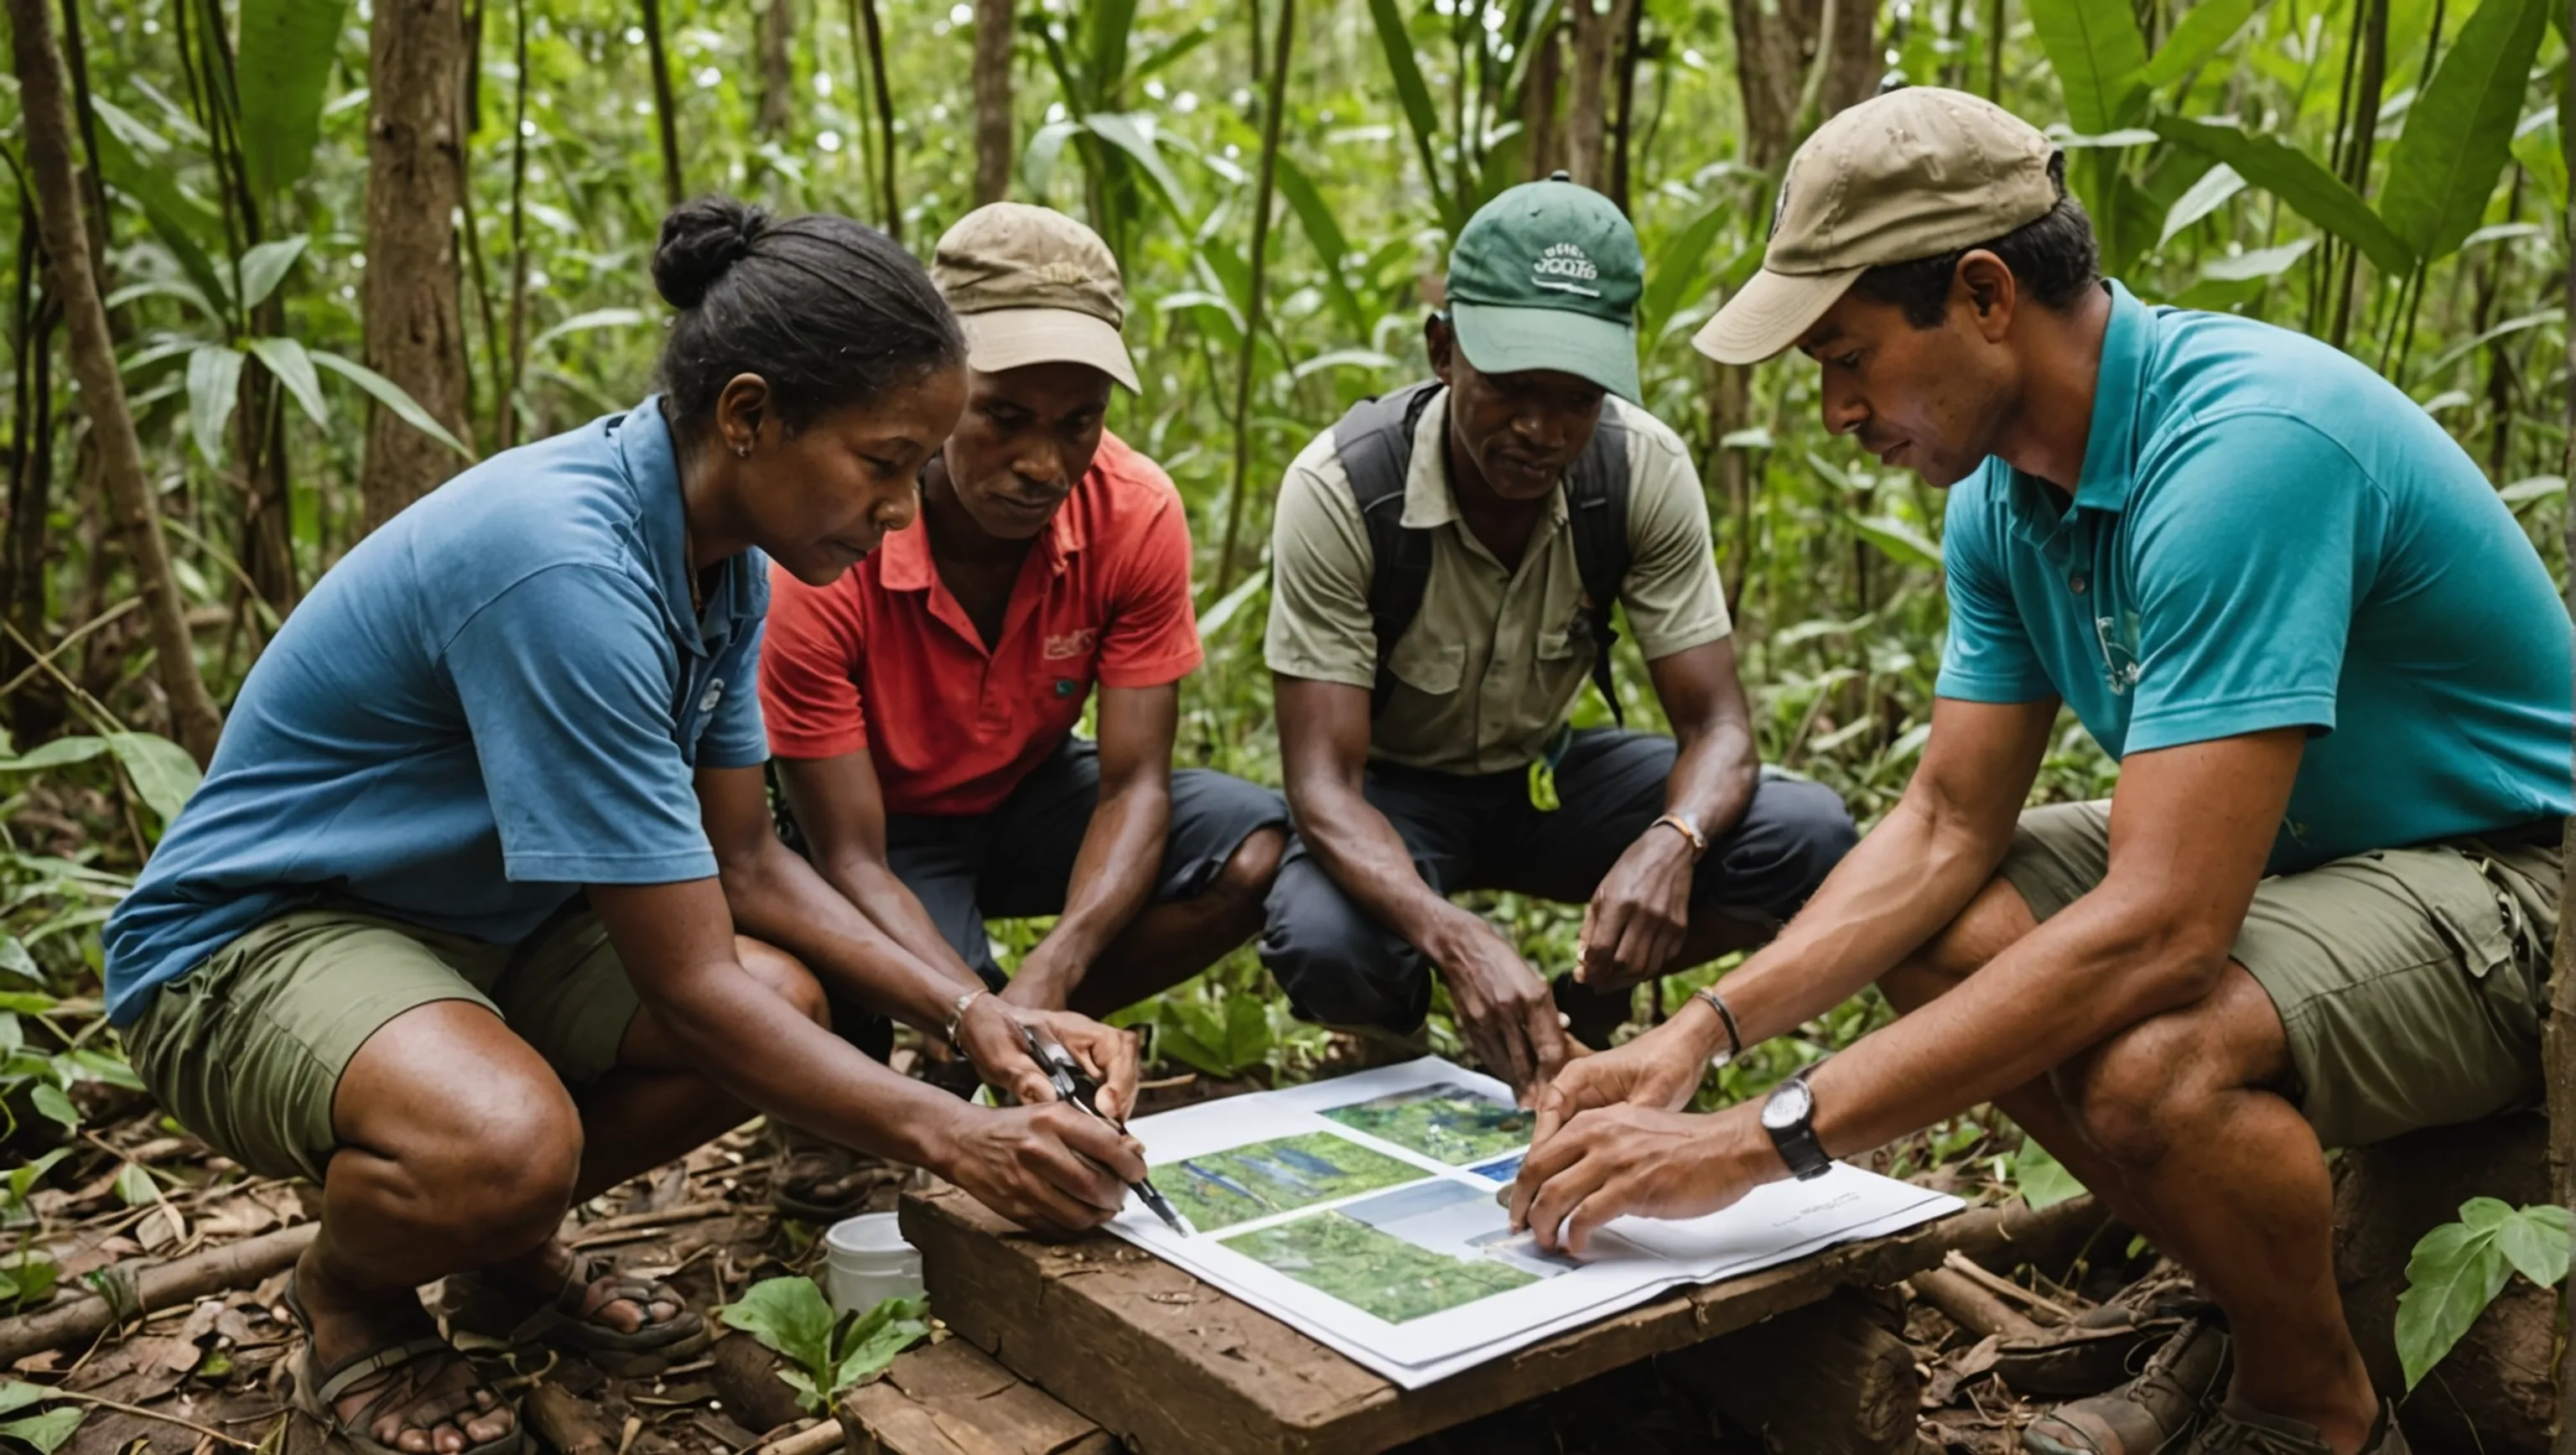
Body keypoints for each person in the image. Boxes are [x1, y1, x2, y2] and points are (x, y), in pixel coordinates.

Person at [1509, 88, 2572, 1455]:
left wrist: (1746, 1145)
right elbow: (1946, 819)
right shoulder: (2006, 499)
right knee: (1945, 921)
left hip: (2520, 877)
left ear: (1983, 294)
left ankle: (2313, 1408)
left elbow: (2165, 931)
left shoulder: (2242, 452)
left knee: (2153, 1066)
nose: (1835, 409)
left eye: (1849, 356)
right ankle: (2247, 1307)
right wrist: (1696, 1037)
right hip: (2320, 862)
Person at [102, 199, 1154, 1455]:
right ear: (749, 414)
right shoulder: (566, 568)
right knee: (506, 1136)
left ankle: (500, 1253)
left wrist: (977, 1014)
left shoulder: (734, 561)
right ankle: (353, 1293)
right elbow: (693, 982)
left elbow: (747, 859)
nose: (898, 512)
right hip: (251, 943)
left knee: (786, 997)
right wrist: (960, 1133)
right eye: (883, 464)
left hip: (469, 933)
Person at [1257, 174, 1858, 1103]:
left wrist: (1673, 838)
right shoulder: (1343, 488)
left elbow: (1721, 730)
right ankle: (1399, 1042)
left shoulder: (1639, 470)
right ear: (1444, 349)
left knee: (1805, 834)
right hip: (1392, 792)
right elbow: (1323, 786)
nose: (1539, 430)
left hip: (1545, 779)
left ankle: (1582, 1013)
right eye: (1507, 389)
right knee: (1324, 938)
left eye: (1575, 399)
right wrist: (1458, 940)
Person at [758, 203, 1288, 1216]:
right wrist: (974, 1004)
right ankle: (860, 1083)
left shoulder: (1133, 511)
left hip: (1029, 791)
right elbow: (851, 857)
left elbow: (1134, 781)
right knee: (843, 953)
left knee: (1254, 850)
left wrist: (1050, 976)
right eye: (1002, 416)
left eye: (1077, 423)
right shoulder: (832, 541)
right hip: (878, 825)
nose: (1044, 463)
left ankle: (1021, 1039)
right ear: (936, 383)